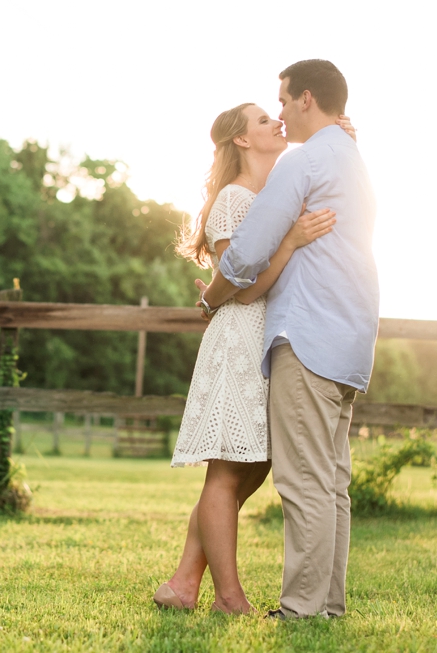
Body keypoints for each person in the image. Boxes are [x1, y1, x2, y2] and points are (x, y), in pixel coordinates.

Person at [153, 101, 355, 614]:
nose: (276, 122)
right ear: (242, 140)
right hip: (240, 338)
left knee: (256, 465)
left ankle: (181, 583)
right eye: (264, 120)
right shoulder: (232, 200)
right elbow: (242, 291)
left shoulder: (271, 191)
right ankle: (229, 597)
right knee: (225, 473)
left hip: (270, 340)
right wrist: (288, 242)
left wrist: (341, 133)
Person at [196, 59, 379, 619]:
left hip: (307, 336)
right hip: (349, 338)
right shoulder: (350, 156)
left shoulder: (306, 159)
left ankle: (301, 608)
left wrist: (210, 296)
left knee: (303, 485)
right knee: (331, 484)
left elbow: (247, 251)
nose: (278, 112)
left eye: (281, 100)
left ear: (305, 99)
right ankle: (328, 605)